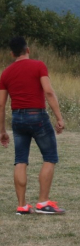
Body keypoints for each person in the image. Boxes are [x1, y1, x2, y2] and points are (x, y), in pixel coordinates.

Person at [0, 36, 66, 215]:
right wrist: (59, 117)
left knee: (20, 160)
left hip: (17, 118)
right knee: (49, 157)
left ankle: (22, 205)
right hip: (37, 116)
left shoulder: (5, 73)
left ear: (11, 53)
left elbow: (1, 104)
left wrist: (2, 131)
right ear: (27, 50)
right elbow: (49, 92)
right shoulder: (39, 66)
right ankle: (43, 202)